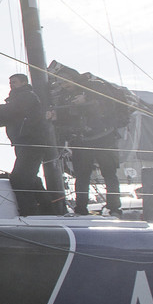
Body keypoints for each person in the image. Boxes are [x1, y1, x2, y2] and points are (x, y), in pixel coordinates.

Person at [51, 64, 133, 217]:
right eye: (61, 82)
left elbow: (108, 103)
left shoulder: (95, 86)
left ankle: (114, 208)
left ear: (74, 78)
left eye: (66, 81)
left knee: (109, 173)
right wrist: (55, 118)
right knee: (82, 175)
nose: (64, 85)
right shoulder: (64, 96)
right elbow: (66, 119)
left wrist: (87, 99)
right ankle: (81, 209)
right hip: (81, 140)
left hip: (104, 137)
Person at [0, 73, 63, 216]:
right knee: (31, 178)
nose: (11, 84)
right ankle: (48, 210)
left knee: (19, 179)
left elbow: (12, 110)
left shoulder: (28, 96)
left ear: (23, 82)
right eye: (10, 82)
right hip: (22, 143)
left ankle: (29, 212)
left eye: (14, 82)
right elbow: (3, 120)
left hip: (32, 142)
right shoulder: (15, 101)